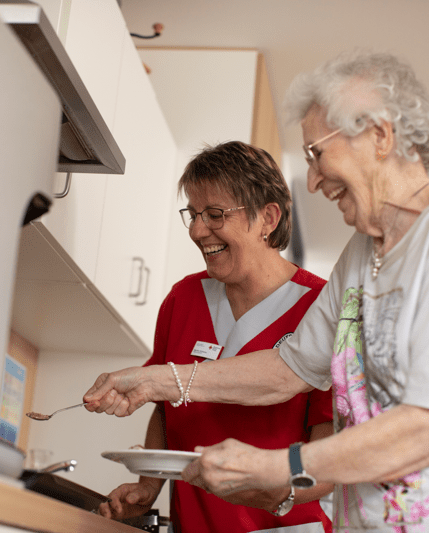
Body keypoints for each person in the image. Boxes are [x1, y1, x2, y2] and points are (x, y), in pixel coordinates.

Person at [84, 52, 429, 532]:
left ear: (380, 135)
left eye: (317, 153)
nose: (312, 181)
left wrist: (276, 467)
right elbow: (288, 367)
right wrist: (155, 382)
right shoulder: (360, 255)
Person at [98, 141, 335, 533]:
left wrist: (269, 492)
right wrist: (148, 486)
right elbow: (164, 407)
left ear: (268, 218)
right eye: (192, 214)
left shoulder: (321, 308)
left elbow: (329, 458)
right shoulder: (183, 298)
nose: (196, 229)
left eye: (214, 214)